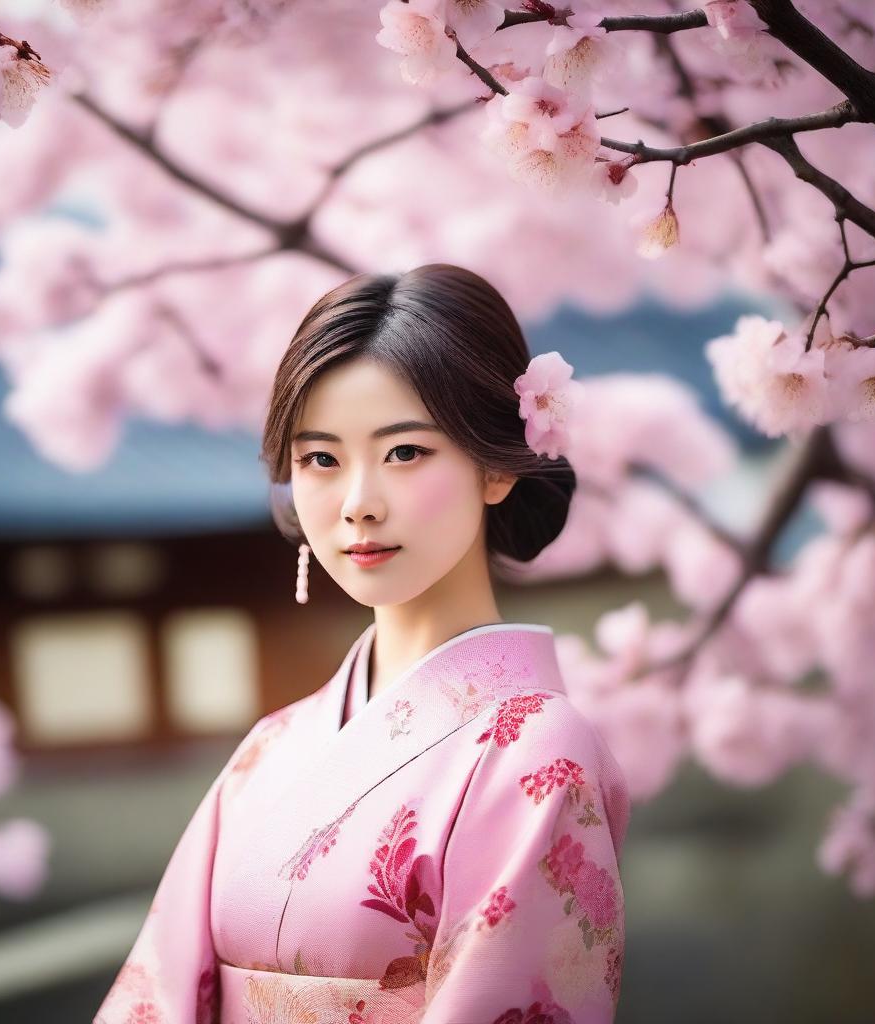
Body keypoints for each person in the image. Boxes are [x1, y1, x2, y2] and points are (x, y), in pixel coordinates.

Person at [94, 264, 630, 1024]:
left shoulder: (538, 752)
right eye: (320, 460)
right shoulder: (269, 749)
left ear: (495, 468)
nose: (357, 504)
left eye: (405, 452)